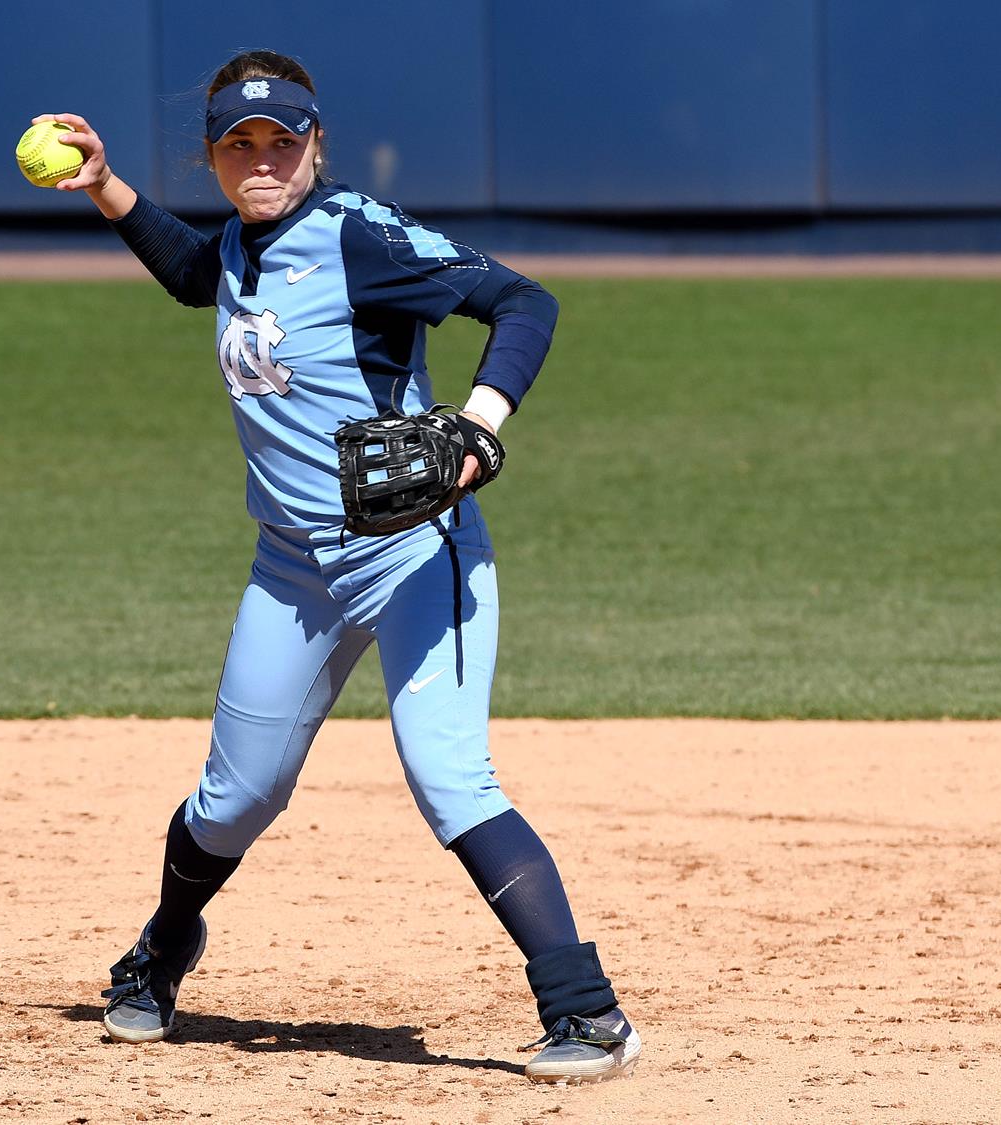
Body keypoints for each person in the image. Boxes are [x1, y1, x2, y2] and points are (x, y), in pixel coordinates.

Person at [34, 48, 639, 1085]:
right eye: (240, 144)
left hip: (411, 553)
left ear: (316, 142)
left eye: (282, 140)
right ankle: (162, 950)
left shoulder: (359, 236)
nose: (262, 159)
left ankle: (586, 1013)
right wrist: (105, 189)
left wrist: (478, 430)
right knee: (233, 798)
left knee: (448, 775)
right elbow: (196, 275)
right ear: (216, 157)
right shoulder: (235, 242)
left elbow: (523, 302)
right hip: (290, 570)